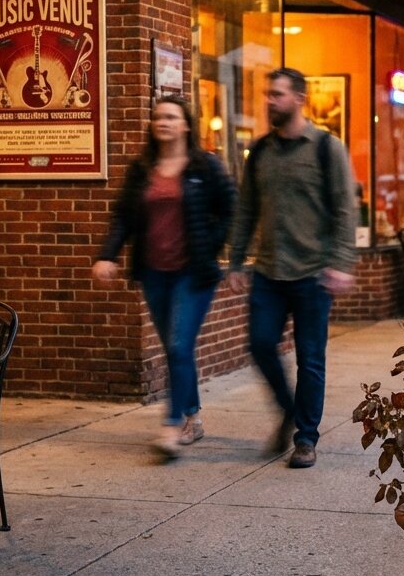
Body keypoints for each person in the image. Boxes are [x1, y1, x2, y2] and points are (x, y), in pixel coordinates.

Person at [92, 96, 236, 460]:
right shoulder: (142, 168)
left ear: (187, 124)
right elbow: (123, 216)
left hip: (194, 272)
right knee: (177, 349)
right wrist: (107, 255)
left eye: (171, 117)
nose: (163, 122)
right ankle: (194, 417)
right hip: (154, 272)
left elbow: (232, 210)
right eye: (158, 117)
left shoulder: (206, 166)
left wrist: (212, 245)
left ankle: (172, 425)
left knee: (177, 345)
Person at [228, 67, 357, 470]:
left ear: (300, 98)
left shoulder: (325, 148)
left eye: (278, 95)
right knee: (260, 344)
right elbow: (246, 207)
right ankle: (288, 409)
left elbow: (344, 207)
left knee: (310, 359)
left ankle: (305, 438)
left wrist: (341, 261)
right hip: (268, 270)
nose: (270, 101)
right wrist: (236, 259)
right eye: (268, 94)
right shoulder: (260, 150)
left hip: (312, 273)